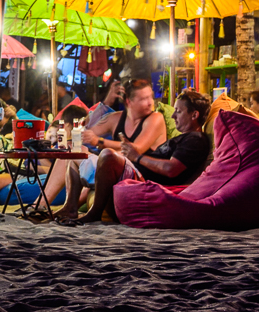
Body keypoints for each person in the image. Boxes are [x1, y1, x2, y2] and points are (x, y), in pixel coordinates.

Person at [58, 90, 212, 224]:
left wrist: (137, 157)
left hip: (142, 180)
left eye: (178, 111)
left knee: (108, 154)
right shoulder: (182, 138)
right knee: (76, 155)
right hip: (134, 170)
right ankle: (70, 208)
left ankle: (95, 214)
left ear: (194, 115)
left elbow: (171, 169)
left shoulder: (195, 139)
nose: (173, 115)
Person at [50, 79, 166, 220]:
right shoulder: (116, 118)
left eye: (150, 97)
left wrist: (99, 142)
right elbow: (84, 131)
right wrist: (107, 102)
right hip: (113, 171)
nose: (150, 102)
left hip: (139, 175)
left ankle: (93, 212)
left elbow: (136, 149)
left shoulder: (155, 118)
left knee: (108, 154)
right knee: (75, 149)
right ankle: (69, 207)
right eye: (143, 99)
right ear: (129, 101)